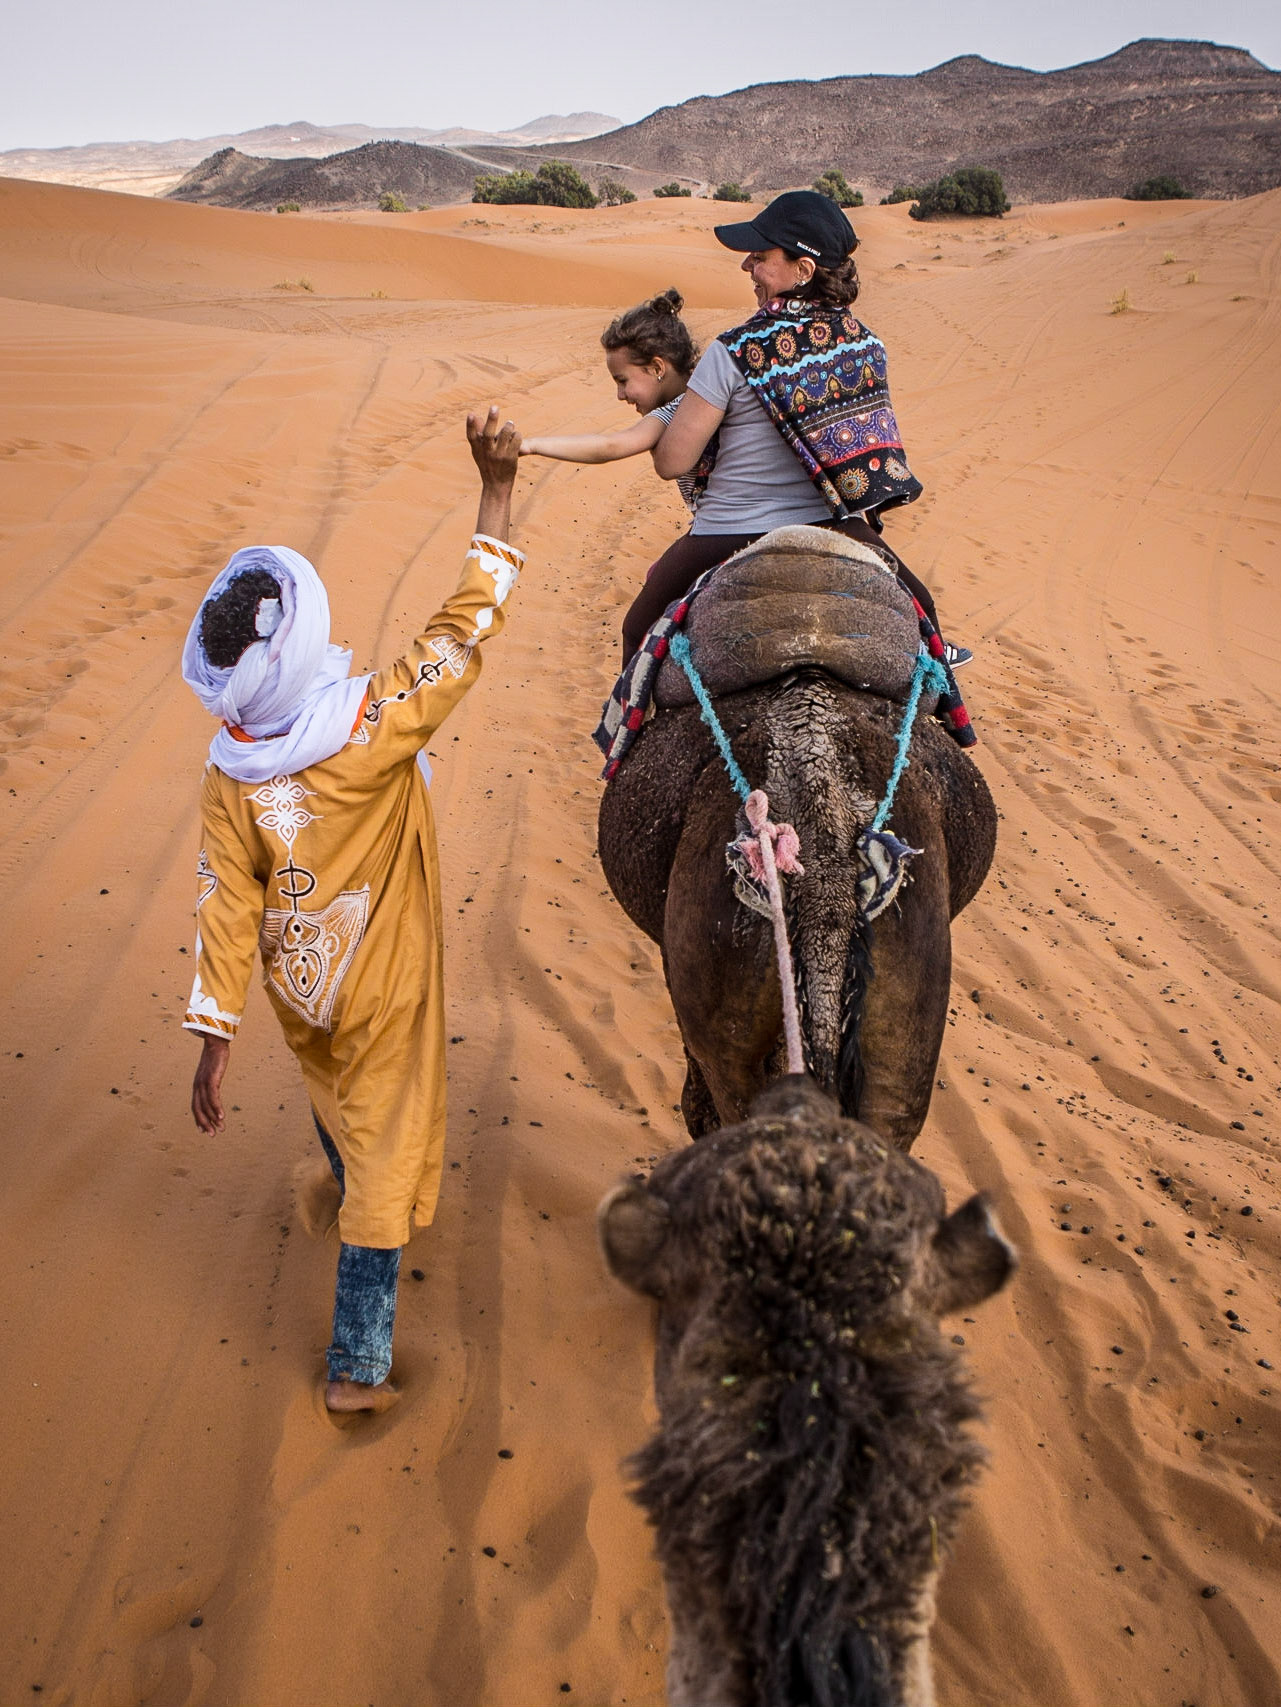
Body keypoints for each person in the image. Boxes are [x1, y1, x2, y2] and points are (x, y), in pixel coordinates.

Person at [182, 406, 523, 1415]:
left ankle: (348, 1175)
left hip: (299, 993)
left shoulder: (229, 768)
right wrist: (497, 492)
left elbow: (223, 902)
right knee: (382, 1150)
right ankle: (358, 1365)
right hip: (380, 987)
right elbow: (462, 631)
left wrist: (215, 1031)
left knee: (340, 1100)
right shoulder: (369, 727)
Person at [629, 190, 969, 669]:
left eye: (761, 256)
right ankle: (953, 719)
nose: (748, 265)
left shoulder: (731, 352)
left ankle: (626, 735)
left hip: (728, 532)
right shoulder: (867, 347)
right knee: (926, 626)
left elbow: (673, 463)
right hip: (836, 527)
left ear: (803, 271)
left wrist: (660, 420)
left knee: (636, 632)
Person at [519, 288, 701, 511]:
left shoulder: (678, 410)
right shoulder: (707, 391)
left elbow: (610, 446)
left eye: (623, 381)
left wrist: (531, 445)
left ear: (656, 368)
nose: (620, 395)